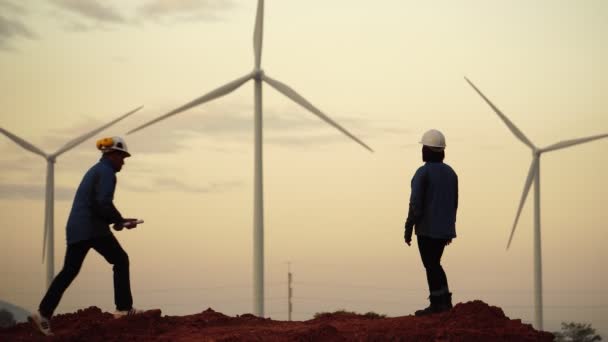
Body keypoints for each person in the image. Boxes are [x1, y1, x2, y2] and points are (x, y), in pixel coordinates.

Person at [29, 136, 143, 336]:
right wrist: (120, 221)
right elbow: (103, 203)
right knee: (120, 260)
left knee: (69, 270)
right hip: (93, 228)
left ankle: (43, 313)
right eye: (122, 157)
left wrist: (119, 221)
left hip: (76, 228)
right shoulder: (107, 172)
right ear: (113, 155)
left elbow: (98, 204)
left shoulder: (94, 170)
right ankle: (124, 309)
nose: (123, 162)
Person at [404, 129, 458, 316]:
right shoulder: (451, 173)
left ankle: (436, 304)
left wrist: (408, 227)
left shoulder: (423, 172)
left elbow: (415, 203)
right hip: (444, 230)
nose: (422, 152)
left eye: (424, 148)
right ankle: (445, 302)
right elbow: (454, 203)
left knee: (431, 265)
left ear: (428, 151)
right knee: (436, 263)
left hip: (427, 229)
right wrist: (449, 229)